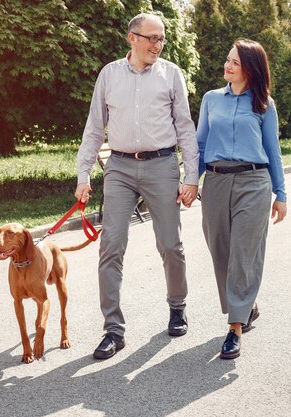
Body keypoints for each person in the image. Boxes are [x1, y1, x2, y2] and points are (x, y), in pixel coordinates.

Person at [75, 13, 199, 360]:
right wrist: (83, 176)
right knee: (111, 245)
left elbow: (185, 128)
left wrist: (191, 176)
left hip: (162, 165)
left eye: (161, 40)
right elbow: (94, 128)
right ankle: (113, 330)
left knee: (171, 245)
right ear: (132, 39)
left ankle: (177, 306)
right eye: (151, 39)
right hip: (120, 167)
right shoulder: (110, 74)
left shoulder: (171, 74)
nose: (157, 46)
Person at [196, 39, 287, 359]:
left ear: (250, 68)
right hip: (217, 182)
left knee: (243, 253)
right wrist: (190, 180)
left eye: (234, 62)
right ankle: (246, 305)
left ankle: (235, 327)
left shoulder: (264, 104)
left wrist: (281, 193)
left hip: (254, 182)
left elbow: (273, 152)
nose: (227, 65)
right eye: (227, 59)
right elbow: (201, 145)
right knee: (220, 249)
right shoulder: (211, 99)